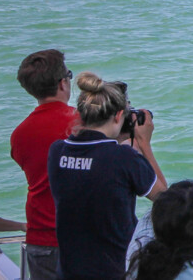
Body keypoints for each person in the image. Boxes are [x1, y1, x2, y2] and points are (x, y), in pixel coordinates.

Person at [47, 71, 168, 280]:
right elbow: (164, 197)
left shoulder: (57, 151)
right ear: (119, 116)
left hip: (68, 271)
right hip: (113, 271)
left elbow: (91, 167)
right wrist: (144, 144)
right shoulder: (123, 157)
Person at [10, 49, 79, 280]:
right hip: (80, 237)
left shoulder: (20, 133)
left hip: (39, 238)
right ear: (63, 83)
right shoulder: (82, 122)